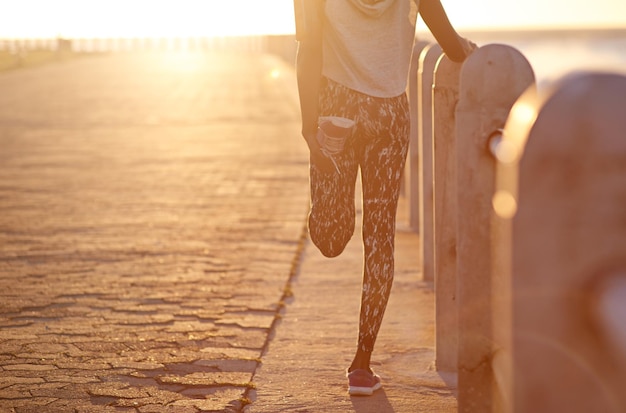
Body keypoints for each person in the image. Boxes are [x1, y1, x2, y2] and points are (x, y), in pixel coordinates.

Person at [294, 0, 476, 396]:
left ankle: (361, 362)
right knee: (375, 236)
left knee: (334, 237)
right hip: (390, 112)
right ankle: (362, 366)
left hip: (336, 109)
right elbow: (443, 31)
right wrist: (466, 52)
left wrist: (310, 129)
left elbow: (307, 48)